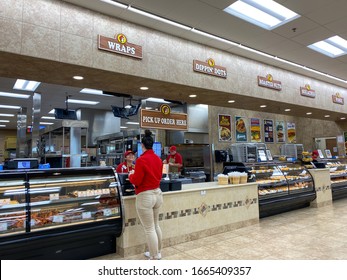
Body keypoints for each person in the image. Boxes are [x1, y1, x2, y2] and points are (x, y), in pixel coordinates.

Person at [128, 130, 163, 260]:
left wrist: (131, 176)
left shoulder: (141, 160)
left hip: (146, 196)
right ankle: (158, 252)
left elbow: (137, 180)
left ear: (142, 146)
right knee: (156, 225)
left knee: (149, 229)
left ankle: (153, 256)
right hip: (158, 194)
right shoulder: (158, 159)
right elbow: (159, 176)